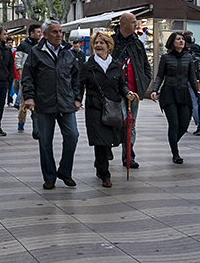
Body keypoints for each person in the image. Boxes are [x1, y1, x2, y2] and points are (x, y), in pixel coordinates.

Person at [21, 20, 82, 189]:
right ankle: (49, 176)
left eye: (60, 31)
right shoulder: (36, 52)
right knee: (45, 141)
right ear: (46, 35)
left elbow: (76, 78)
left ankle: (64, 170)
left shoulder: (68, 52)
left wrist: (77, 98)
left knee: (73, 136)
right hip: (43, 103)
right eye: (55, 32)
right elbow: (27, 77)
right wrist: (29, 97)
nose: (59, 35)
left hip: (66, 102)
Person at [80, 31, 136, 188]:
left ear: (108, 46)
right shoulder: (87, 66)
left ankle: (100, 164)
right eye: (96, 43)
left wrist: (127, 92)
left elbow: (121, 84)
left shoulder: (116, 65)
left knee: (109, 140)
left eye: (101, 43)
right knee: (100, 141)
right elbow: (80, 84)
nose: (98, 45)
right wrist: (77, 100)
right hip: (94, 108)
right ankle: (105, 174)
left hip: (112, 107)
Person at [151, 32, 200, 164]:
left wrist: (198, 94)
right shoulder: (166, 57)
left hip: (184, 93)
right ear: (172, 42)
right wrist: (155, 90)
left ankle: (173, 142)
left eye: (183, 39)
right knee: (174, 123)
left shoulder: (188, 57)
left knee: (184, 124)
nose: (181, 41)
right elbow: (160, 75)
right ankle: (175, 152)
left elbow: (192, 77)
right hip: (169, 93)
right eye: (178, 39)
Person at [112, 12, 152, 169]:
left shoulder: (137, 43)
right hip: (115, 91)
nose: (136, 25)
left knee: (130, 123)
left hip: (133, 91)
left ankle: (128, 155)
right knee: (115, 122)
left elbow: (145, 66)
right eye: (134, 22)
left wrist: (143, 82)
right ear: (123, 23)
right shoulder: (113, 41)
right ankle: (106, 149)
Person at [14, 24, 42, 133]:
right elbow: (18, 61)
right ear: (32, 33)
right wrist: (22, 76)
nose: (40, 34)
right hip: (26, 78)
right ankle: (21, 122)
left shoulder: (41, 45)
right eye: (38, 32)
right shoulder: (23, 45)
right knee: (24, 101)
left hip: (38, 78)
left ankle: (38, 124)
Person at [183, 32, 200, 136]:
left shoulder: (186, 52)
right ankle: (185, 125)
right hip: (199, 80)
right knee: (194, 102)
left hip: (189, 80)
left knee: (192, 103)